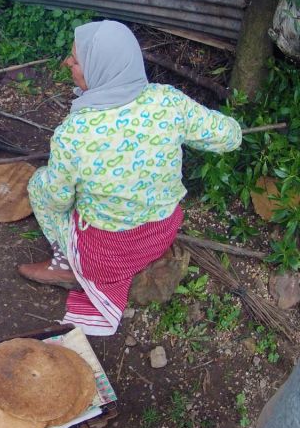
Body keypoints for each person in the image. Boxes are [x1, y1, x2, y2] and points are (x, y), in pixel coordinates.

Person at [17, 20, 242, 336]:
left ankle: (68, 262)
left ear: (101, 68)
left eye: (77, 59)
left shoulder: (73, 134)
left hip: (106, 255)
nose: (68, 62)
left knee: (41, 184)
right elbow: (229, 137)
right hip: (160, 235)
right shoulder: (168, 102)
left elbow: (59, 199)